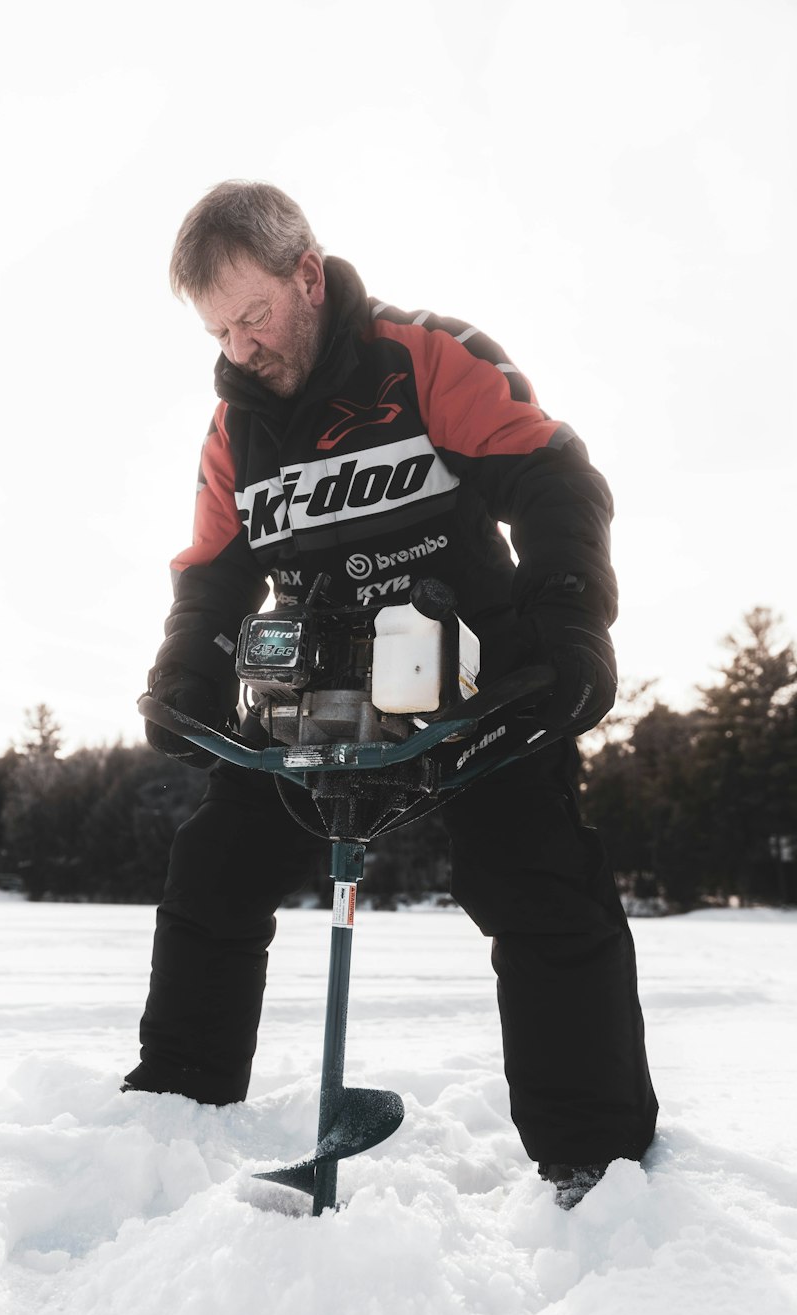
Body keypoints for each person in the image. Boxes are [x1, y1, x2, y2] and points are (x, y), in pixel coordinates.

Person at [123, 180, 658, 1209]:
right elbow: (213, 572)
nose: (239, 348)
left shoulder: (423, 358)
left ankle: (597, 1169)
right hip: (318, 689)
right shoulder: (234, 430)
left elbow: (553, 478)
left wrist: (569, 618)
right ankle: (174, 1113)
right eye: (218, 330)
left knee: (535, 882)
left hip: (475, 683)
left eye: (254, 315)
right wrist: (186, 671)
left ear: (307, 277)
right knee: (217, 868)